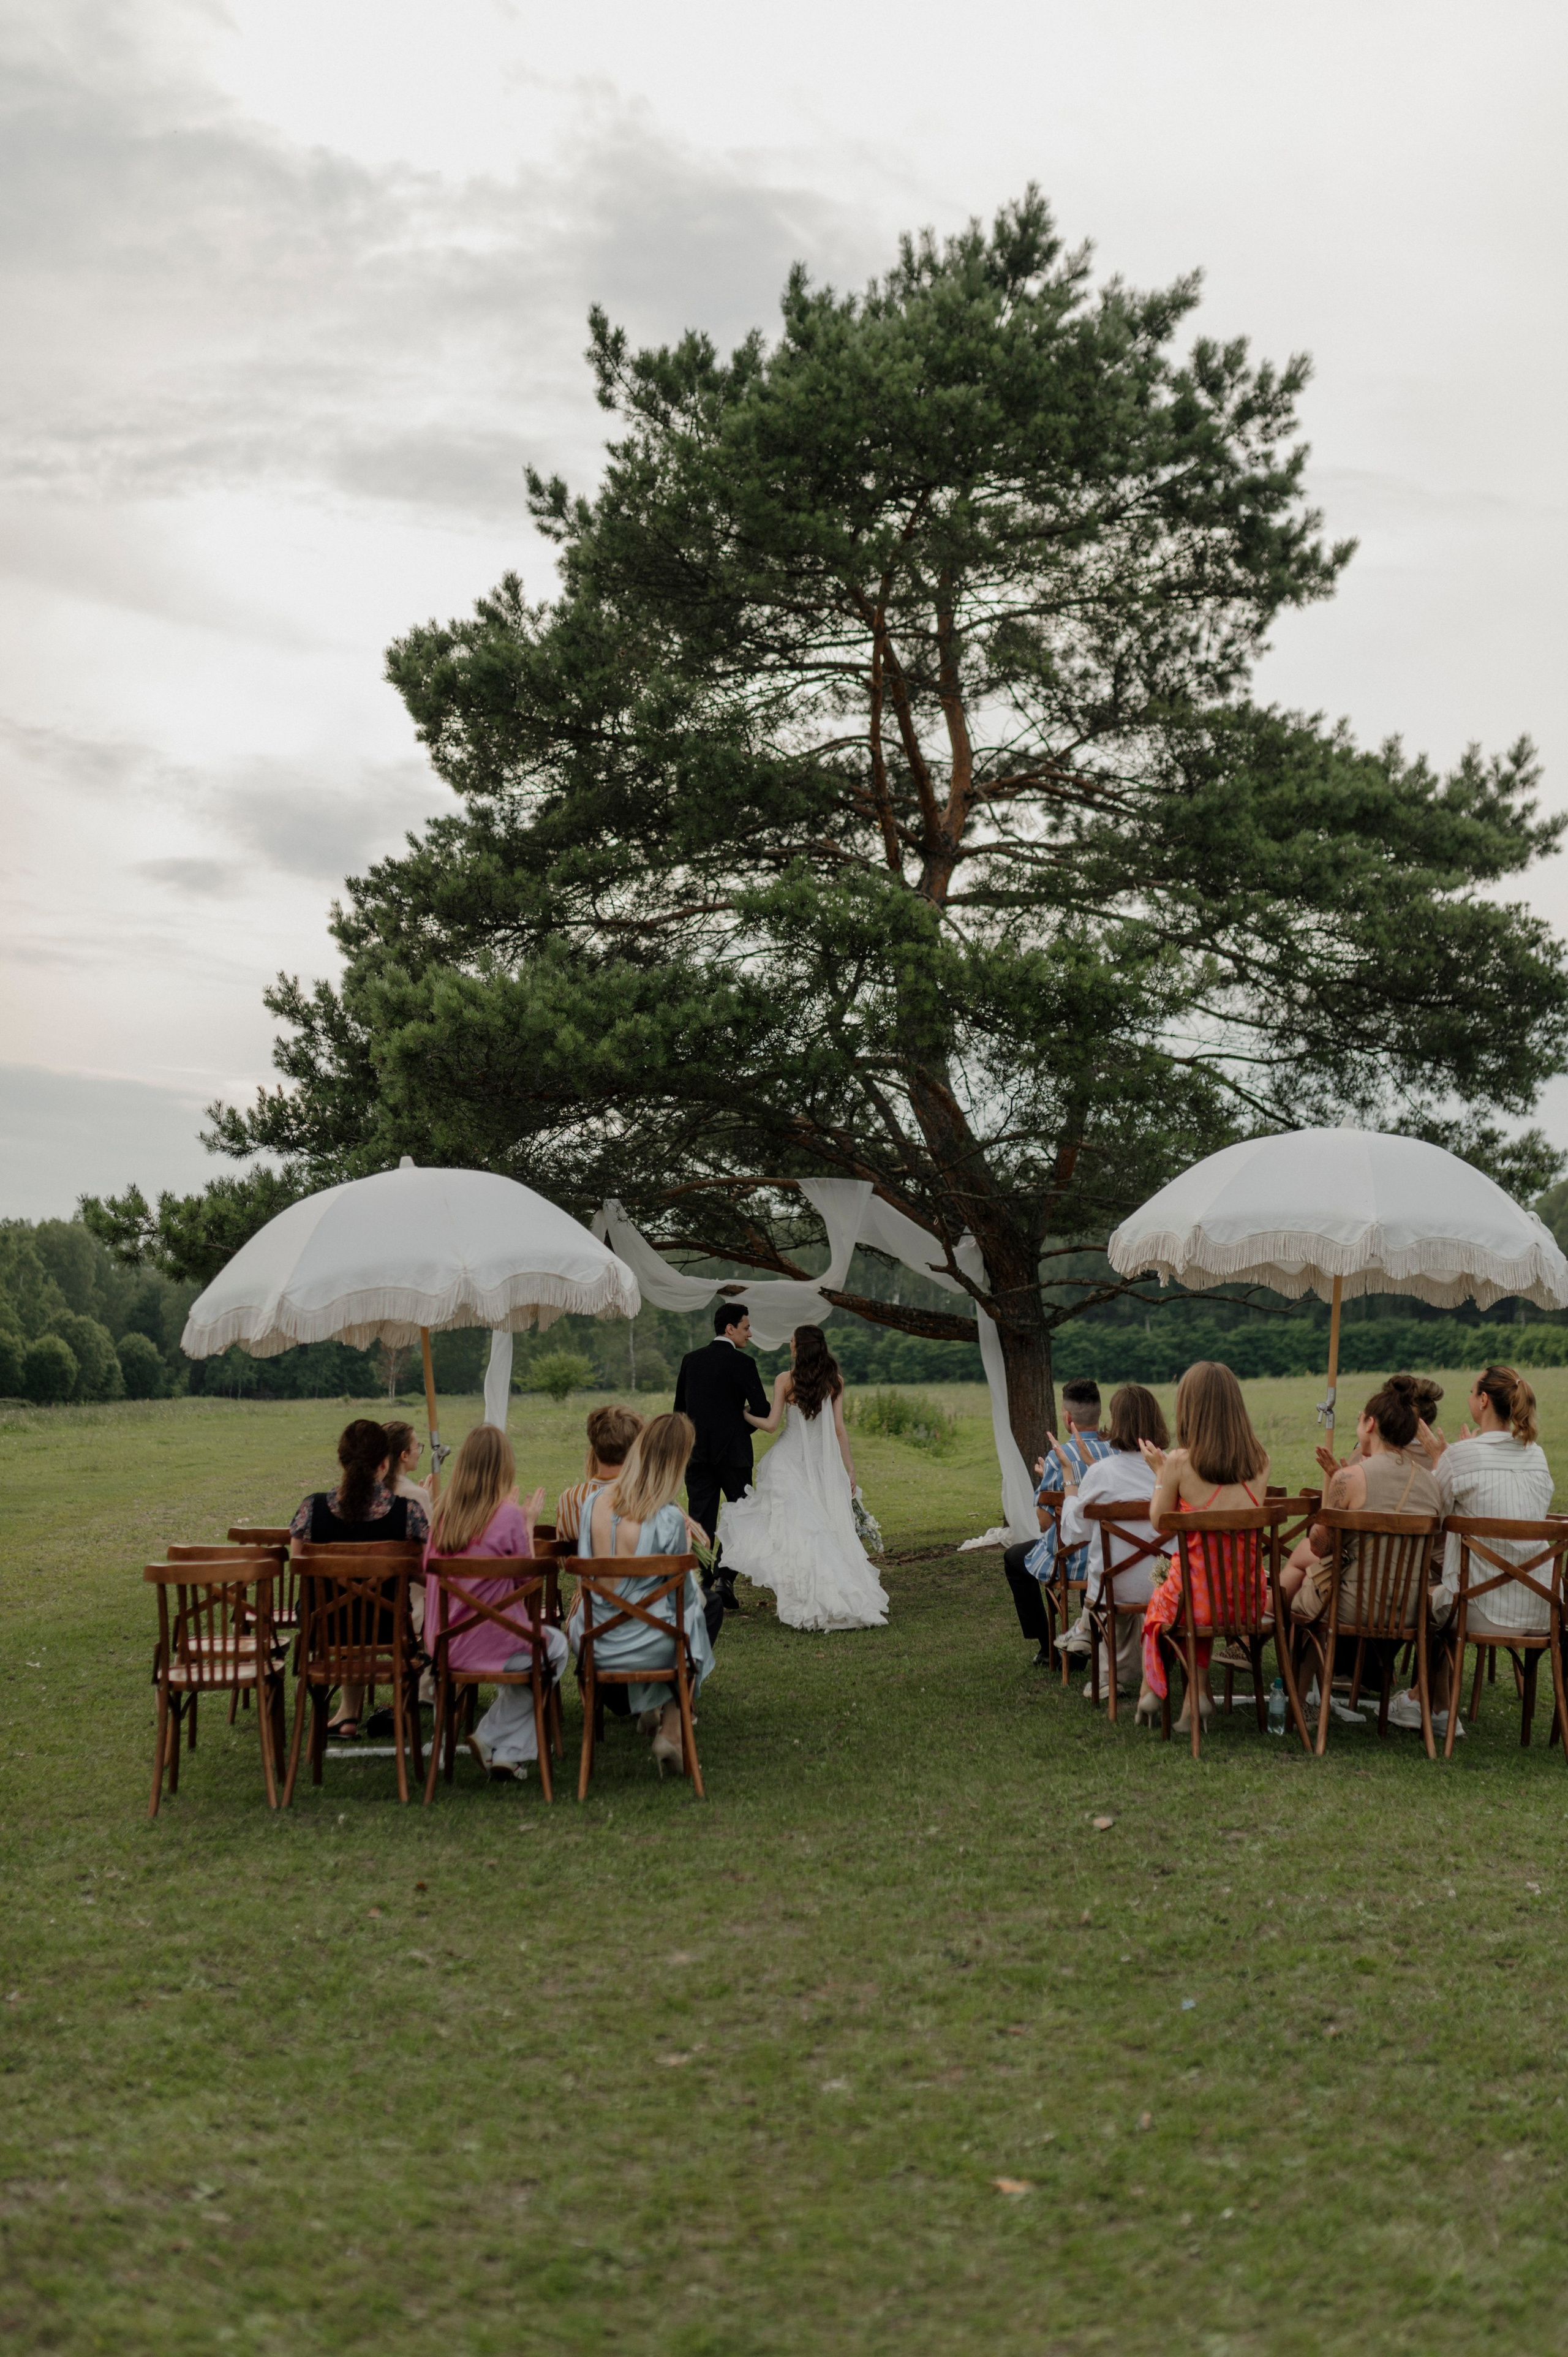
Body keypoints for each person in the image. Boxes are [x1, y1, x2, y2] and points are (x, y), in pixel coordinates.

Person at [1384, 1363, 1553, 1736]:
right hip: (1541, 1609)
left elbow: (1431, 1511)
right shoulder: (1537, 1457)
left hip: (1481, 1611)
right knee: (1448, 1596)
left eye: (1471, 1391)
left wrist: (1444, 1459)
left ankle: (1432, 1705)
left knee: (1427, 1601)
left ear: (1483, 1400)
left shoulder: (1463, 1457)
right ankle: (1426, 1701)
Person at [570, 1411, 720, 1773]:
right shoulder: (668, 1518)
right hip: (652, 1644)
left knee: (684, 1622)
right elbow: (680, 1600)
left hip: (594, 1641)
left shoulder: (592, 1503)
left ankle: (657, 1719)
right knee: (691, 1622)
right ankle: (672, 1728)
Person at [718, 1324, 889, 1631]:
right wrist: (848, 1468)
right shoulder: (834, 1381)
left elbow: (771, 1425)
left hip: (787, 1461)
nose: (790, 1346)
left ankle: (804, 1595)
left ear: (800, 1348)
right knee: (820, 1528)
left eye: (792, 1342)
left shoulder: (786, 1380)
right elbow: (839, 1429)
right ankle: (823, 1594)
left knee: (795, 1529)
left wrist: (743, 1413)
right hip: (822, 1464)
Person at [1136, 1362, 1271, 1730]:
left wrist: (1160, 1475)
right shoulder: (1261, 1461)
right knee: (1198, 1598)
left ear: (1189, 1408)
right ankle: (1194, 1701)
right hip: (1245, 1599)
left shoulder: (1180, 1462)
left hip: (1197, 1598)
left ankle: (1156, 1688)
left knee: (1170, 1600)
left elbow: (1159, 1522)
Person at [422, 1424, 561, 1781]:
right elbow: (527, 1583)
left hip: (445, 1645)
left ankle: (509, 1756)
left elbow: (428, 1572)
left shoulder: (441, 1516)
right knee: (556, 1646)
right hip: (496, 1645)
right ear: (505, 1467)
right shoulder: (509, 1517)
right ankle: (495, 1740)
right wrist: (527, 1524)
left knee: (524, 1650)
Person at [289, 1418, 432, 1741]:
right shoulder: (408, 1512)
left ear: (342, 1461)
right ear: (386, 1463)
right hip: (388, 1626)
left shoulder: (311, 1509)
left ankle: (347, 1715)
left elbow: (297, 1565)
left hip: (324, 1626)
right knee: (365, 1612)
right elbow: (426, 1571)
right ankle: (349, 1715)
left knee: (348, 1613)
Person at [1054, 1384, 1175, 1697]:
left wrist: (1070, 1481)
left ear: (1116, 1422)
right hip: (1170, 1587)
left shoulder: (1103, 1473)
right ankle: (1133, 1666)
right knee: (1134, 1575)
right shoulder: (1174, 1469)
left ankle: (1103, 1668)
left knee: (1109, 1578)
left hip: (1114, 1588)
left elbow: (1073, 1533)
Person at [999, 1379, 1115, 1666]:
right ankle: (1082, 1643)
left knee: (1015, 1558)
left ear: (1067, 1417)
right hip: (1115, 1556)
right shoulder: (1117, 1451)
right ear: (1099, 1414)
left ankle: (1048, 1644)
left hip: (1071, 1558)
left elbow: (1044, 1522)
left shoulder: (1058, 1456)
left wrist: (1044, 1484)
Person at [673, 1303, 769, 1612]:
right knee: (740, 1516)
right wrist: (738, 1428)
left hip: (696, 1454)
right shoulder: (744, 1363)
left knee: (701, 1518)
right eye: (746, 1328)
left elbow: (679, 1412)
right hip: (734, 1454)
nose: (750, 1334)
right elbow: (762, 1409)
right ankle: (725, 1579)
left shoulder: (690, 1361)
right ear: (730, 1329)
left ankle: (701, 1582)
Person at [554, 1404, 644, 1547]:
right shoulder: (648, 1498)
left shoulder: (569, 1499)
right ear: (636, 1447)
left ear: (593, 1443)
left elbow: (565, 1560)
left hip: (586, 1569)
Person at [383, 1419, 434, 1521]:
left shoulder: (372, 1489)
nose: (419, 1451)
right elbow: (430, 1534)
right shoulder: (416, 1495)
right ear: (405, 1455)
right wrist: (425, 1499)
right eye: (418, 1446)